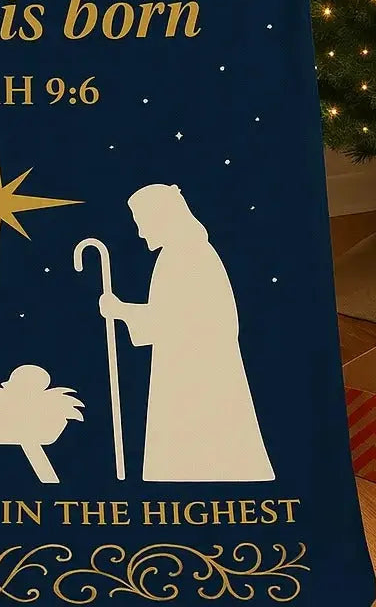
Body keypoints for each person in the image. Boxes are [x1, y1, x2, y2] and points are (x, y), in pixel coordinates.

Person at [99, 183, 275, 482]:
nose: (140, 233)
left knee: (202, 430)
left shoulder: (187, 255)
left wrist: (123, 311)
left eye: (142, 223)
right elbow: (173, 314)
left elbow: (178, 319)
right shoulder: (180, 254)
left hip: (197, 368)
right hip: (188, 364)